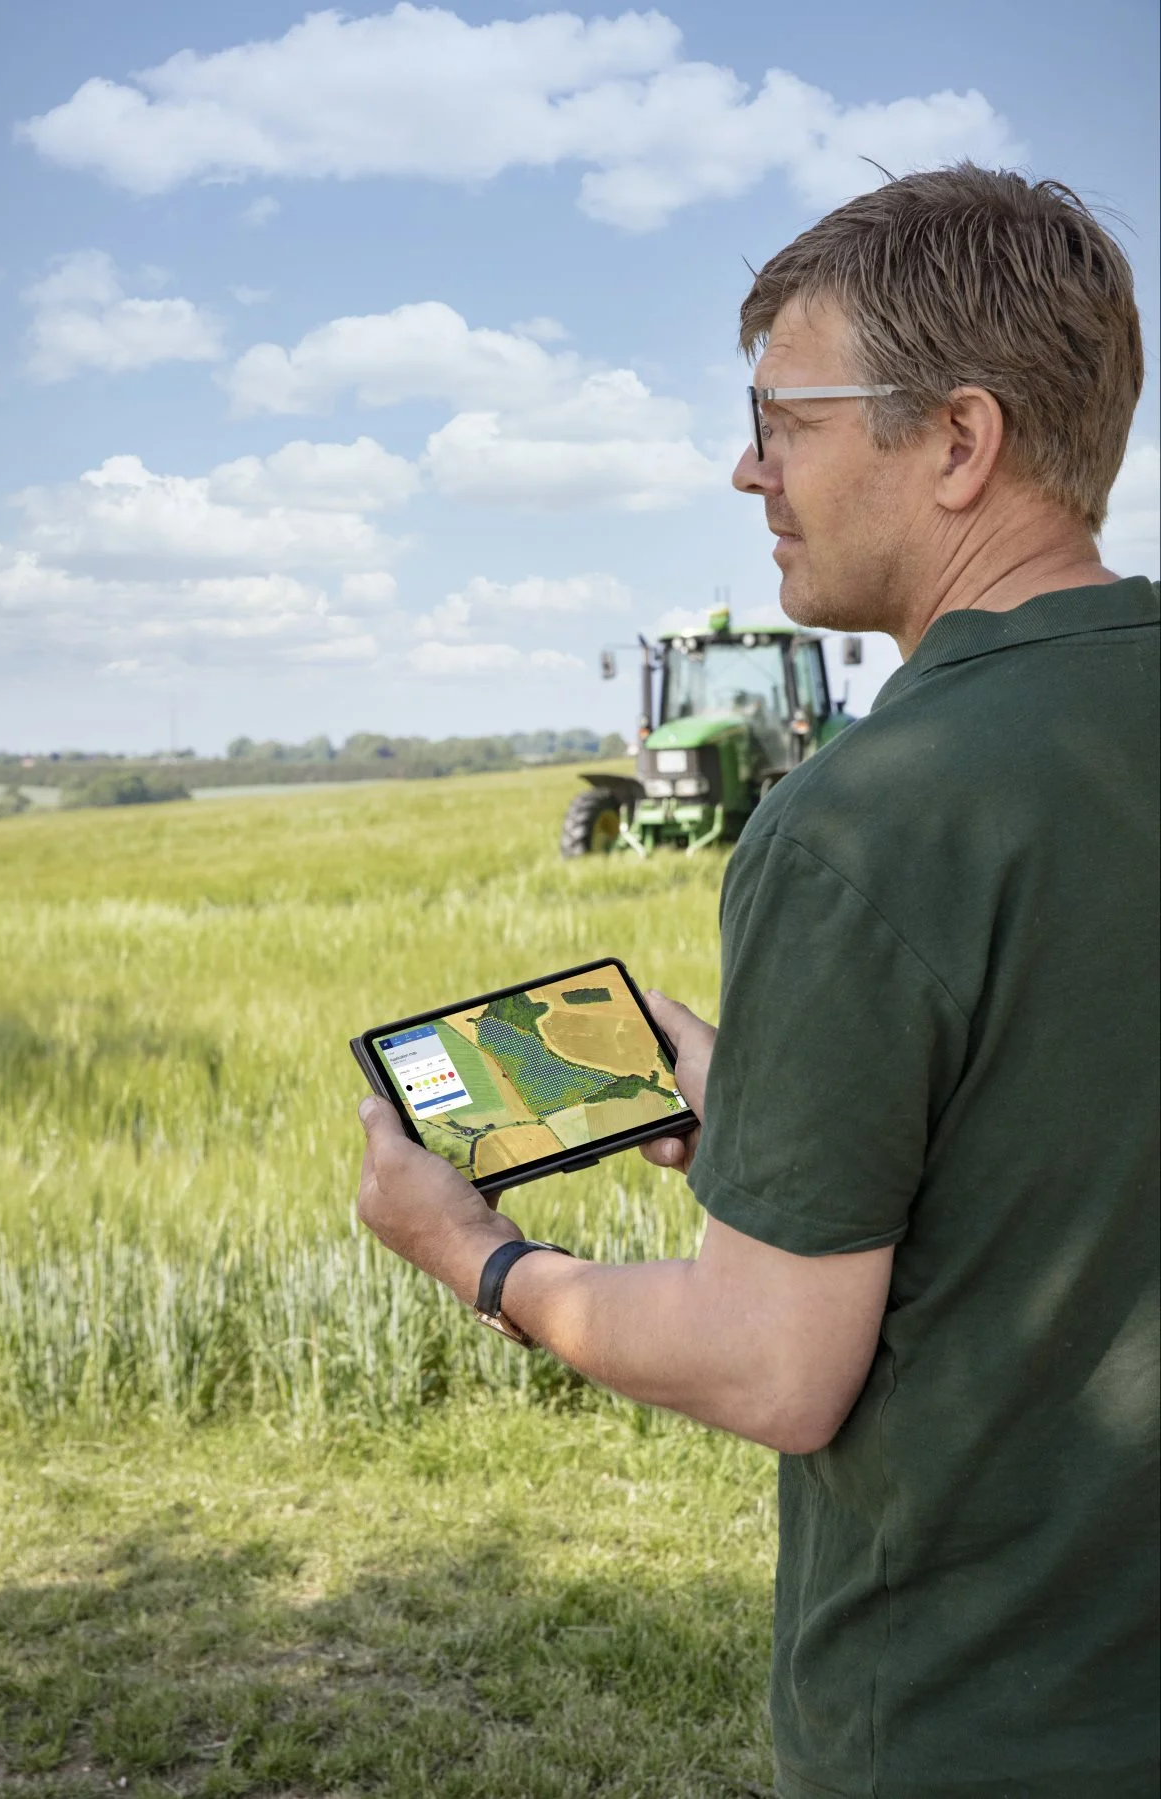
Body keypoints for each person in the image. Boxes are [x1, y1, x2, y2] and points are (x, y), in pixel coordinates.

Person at [355, 164, 1159, 1799]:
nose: (747, 469)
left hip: (975, 1720)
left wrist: (481, 1254)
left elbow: (774, 1363)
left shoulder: (860, 820)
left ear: (957, 440)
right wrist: (773, 1107)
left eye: (784, 419)